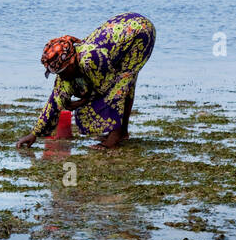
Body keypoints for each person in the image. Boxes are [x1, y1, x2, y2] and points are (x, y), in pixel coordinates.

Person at [18, 12, 156, 151]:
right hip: (122, 30)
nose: (60, 76)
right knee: (120, 85)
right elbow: (54, 100)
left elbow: (108, 88)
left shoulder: (90, 60)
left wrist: (81, 102)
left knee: (122, 84)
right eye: (56, 73)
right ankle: (122, 132)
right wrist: (34, 134)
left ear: (71, 64)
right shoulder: (66, 69)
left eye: (61, 72)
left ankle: (115, 137)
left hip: (139, 33)